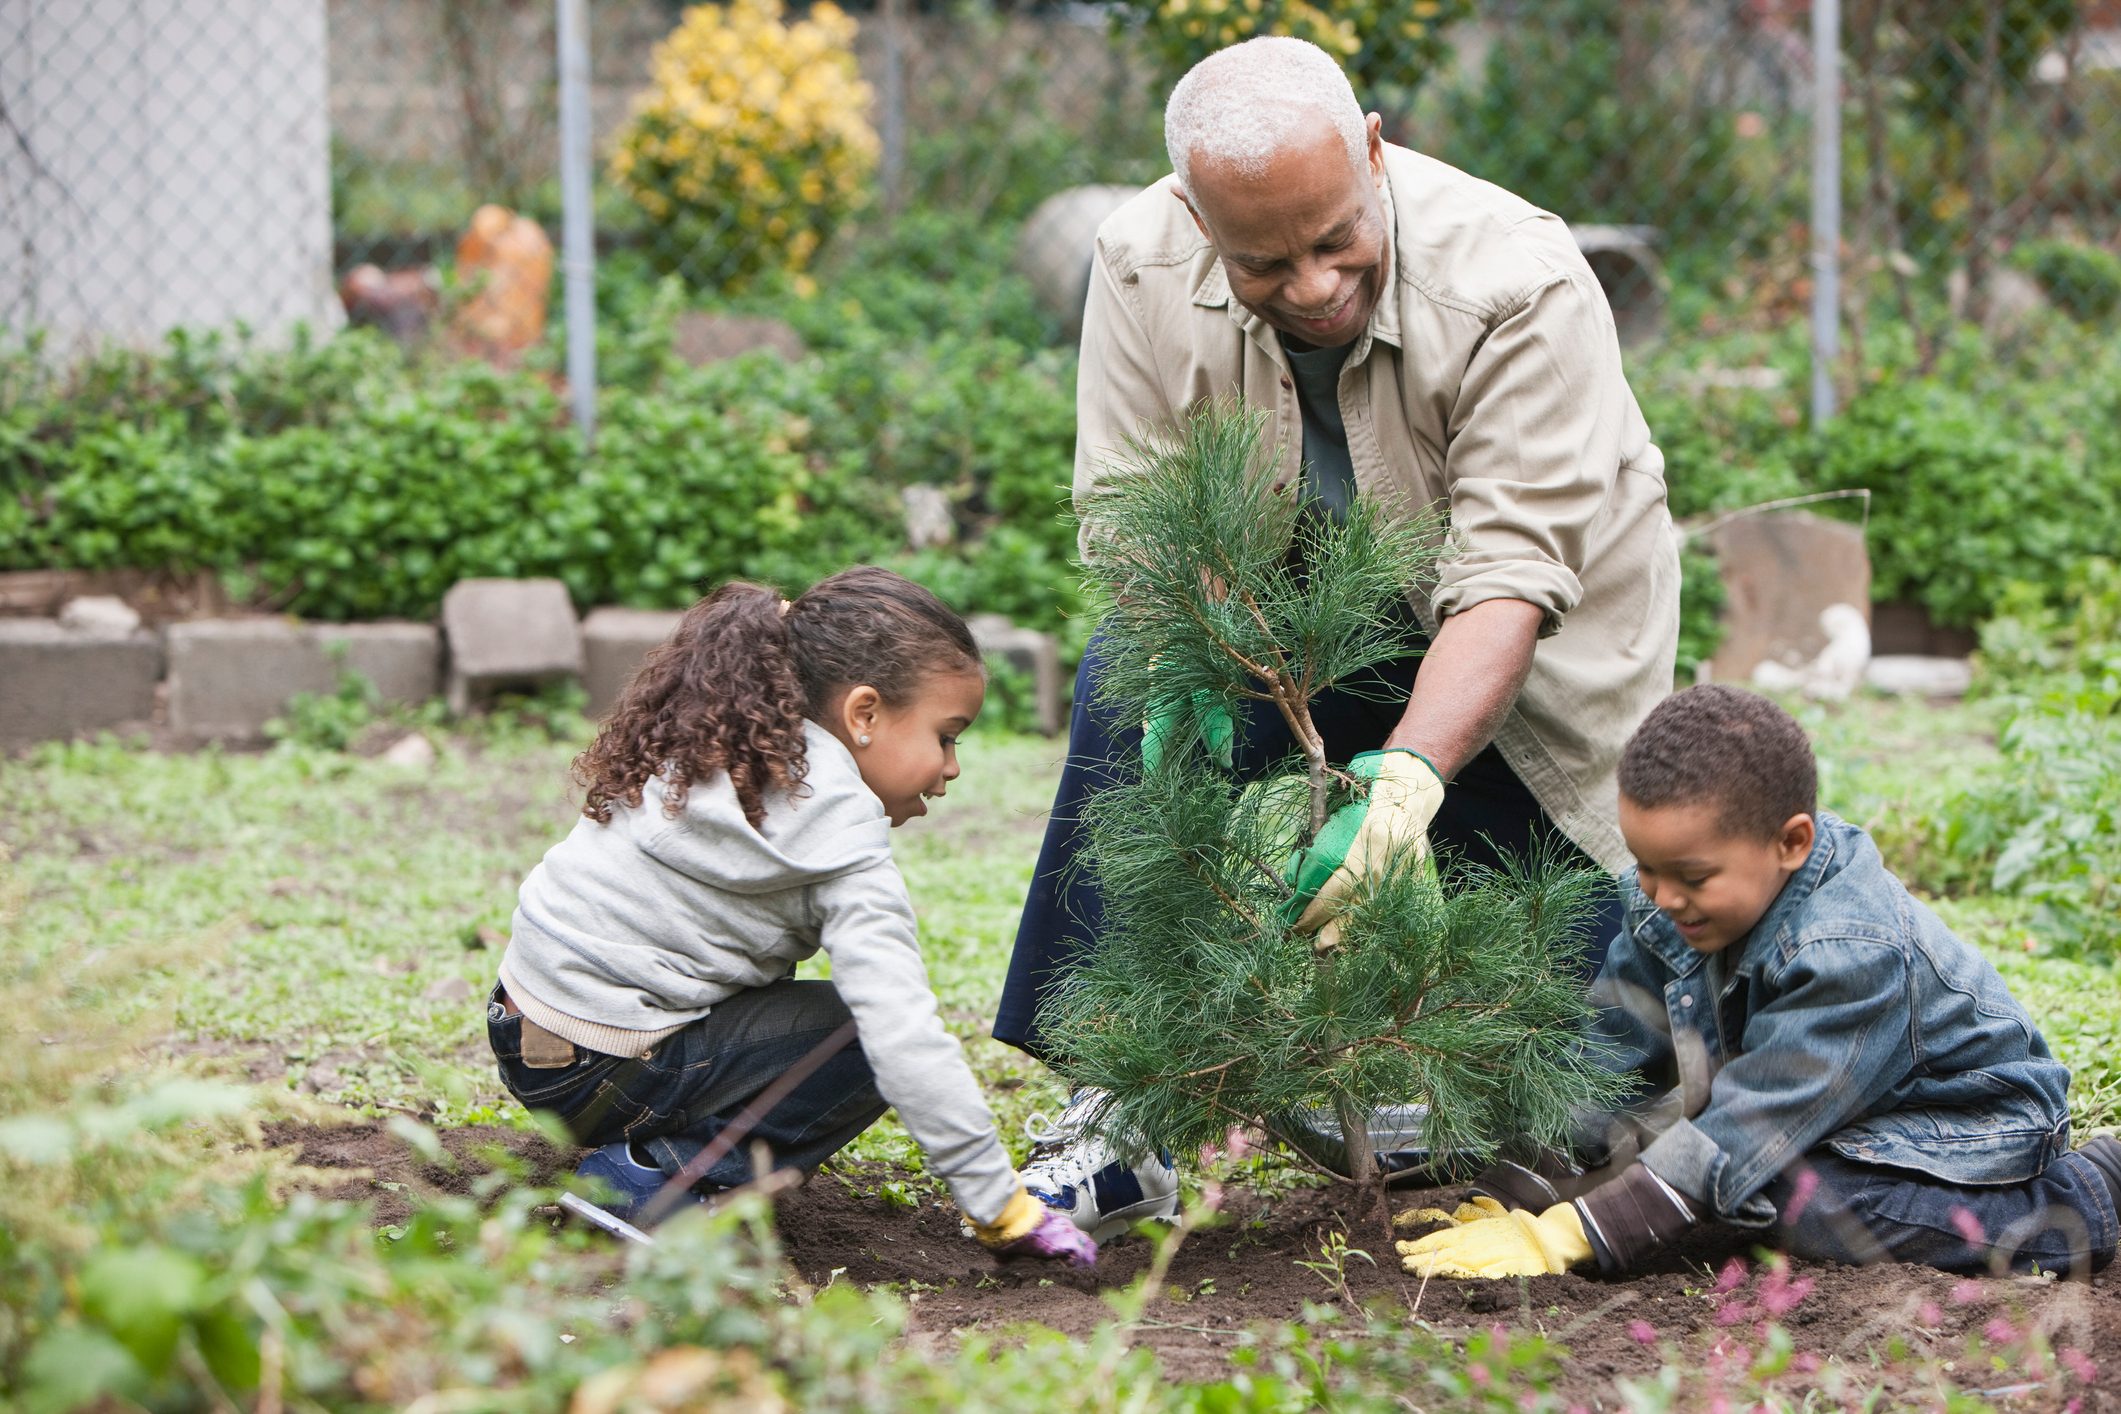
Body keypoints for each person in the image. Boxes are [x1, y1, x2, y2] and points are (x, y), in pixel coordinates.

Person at [1000, 33, 1680, 1237]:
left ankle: (1496, 1080)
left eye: (1334, 240)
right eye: (1264, 261)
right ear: (1198, 218)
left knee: (1585, 1085)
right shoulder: (1139, 261)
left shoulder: (1518, 280)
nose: (1312, 285)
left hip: (1529, 712)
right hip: (1293, 649)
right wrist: (1194, 646)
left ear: (1374, 149)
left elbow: (1508, 582)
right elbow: (1128, 505)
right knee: (1126, 671)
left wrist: (1407, 786)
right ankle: (1120, 1109)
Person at [1398, 686, 2121, 1279]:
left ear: (1791, 842)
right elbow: (1609, 1064)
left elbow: (1744, 1132)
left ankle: (2087, 1195)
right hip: (1843, 1111)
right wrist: (1511, 1194)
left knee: (1794, 1203)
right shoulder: (1664, 906)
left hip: (1965, 1125)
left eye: (1690, 877)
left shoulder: (1848, 952)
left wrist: (1565, 1236)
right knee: (1711, 1167)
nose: (1659, 896)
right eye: (1645, 866)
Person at [486, 567, 1093, 1267]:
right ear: (863, 715)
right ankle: (652, 1180)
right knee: (862, 1036)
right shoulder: (841, 845)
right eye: (945, 735)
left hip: (525, 1028)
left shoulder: (724, 741)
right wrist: (1001, 1208)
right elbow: (901, 1037)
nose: (951, 767)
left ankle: (640, 1152)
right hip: (609, 1063)